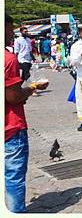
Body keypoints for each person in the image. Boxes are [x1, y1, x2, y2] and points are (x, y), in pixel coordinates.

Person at [5, 13, 50, 213]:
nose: (11, 33)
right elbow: (13, 97)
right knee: (14, 177)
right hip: (10, 127)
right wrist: (32, 87)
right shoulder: (8, 59)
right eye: (9, 28)